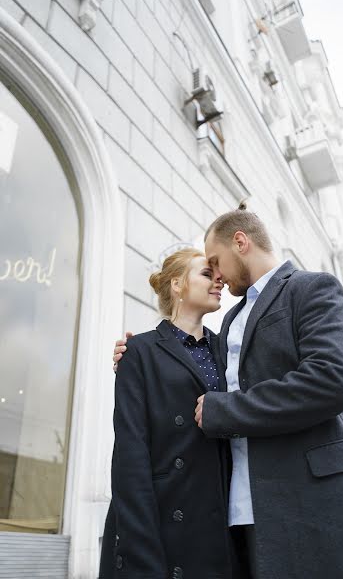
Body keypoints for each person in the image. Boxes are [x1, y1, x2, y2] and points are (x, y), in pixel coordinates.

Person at [114, 204, 343, 579]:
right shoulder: (229, 322)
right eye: (206, 269)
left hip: (315, 499)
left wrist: (224, 411)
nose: (217, 276)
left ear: (241, 242)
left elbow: (331, 379)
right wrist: (140, 352)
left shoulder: (310, 287)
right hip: (244, 515)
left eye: (216, 262)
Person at [100, 248, 242, 579]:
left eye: (218, 276)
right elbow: (130, 455)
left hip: (220, 520)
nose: (218, 281)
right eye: (207, 275)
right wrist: (141, 547)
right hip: (164, 516)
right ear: (177, 285)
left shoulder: (228, 351)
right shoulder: (138, 351)